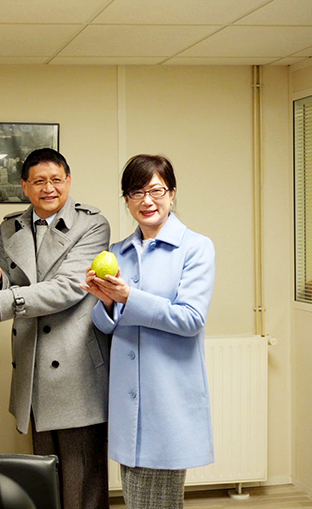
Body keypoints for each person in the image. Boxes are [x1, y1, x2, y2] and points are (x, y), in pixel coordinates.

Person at [0, 148, 111, 509]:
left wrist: (0, 299)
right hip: (33, 366)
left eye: (56, 180)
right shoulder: (9, 227)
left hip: (75, 363)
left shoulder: (92, 225)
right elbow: (13, 284)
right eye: (40, 181)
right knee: (47, 477)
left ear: (69, 181)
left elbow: (67, 288)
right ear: (25, 186)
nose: (49, 188)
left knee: (82, 482)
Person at [82, 154, 215, 508]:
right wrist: (106, 303)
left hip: (166, 402)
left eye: (156, 190)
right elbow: (105, 324)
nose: (147, 201)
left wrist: (129, 297)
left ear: (172, 193)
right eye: (136, 192)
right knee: (138, 500)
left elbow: (191, 319)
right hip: (127, 403)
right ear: (127, 199)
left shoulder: (196, 247)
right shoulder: (117, 252)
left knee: (155, 502)